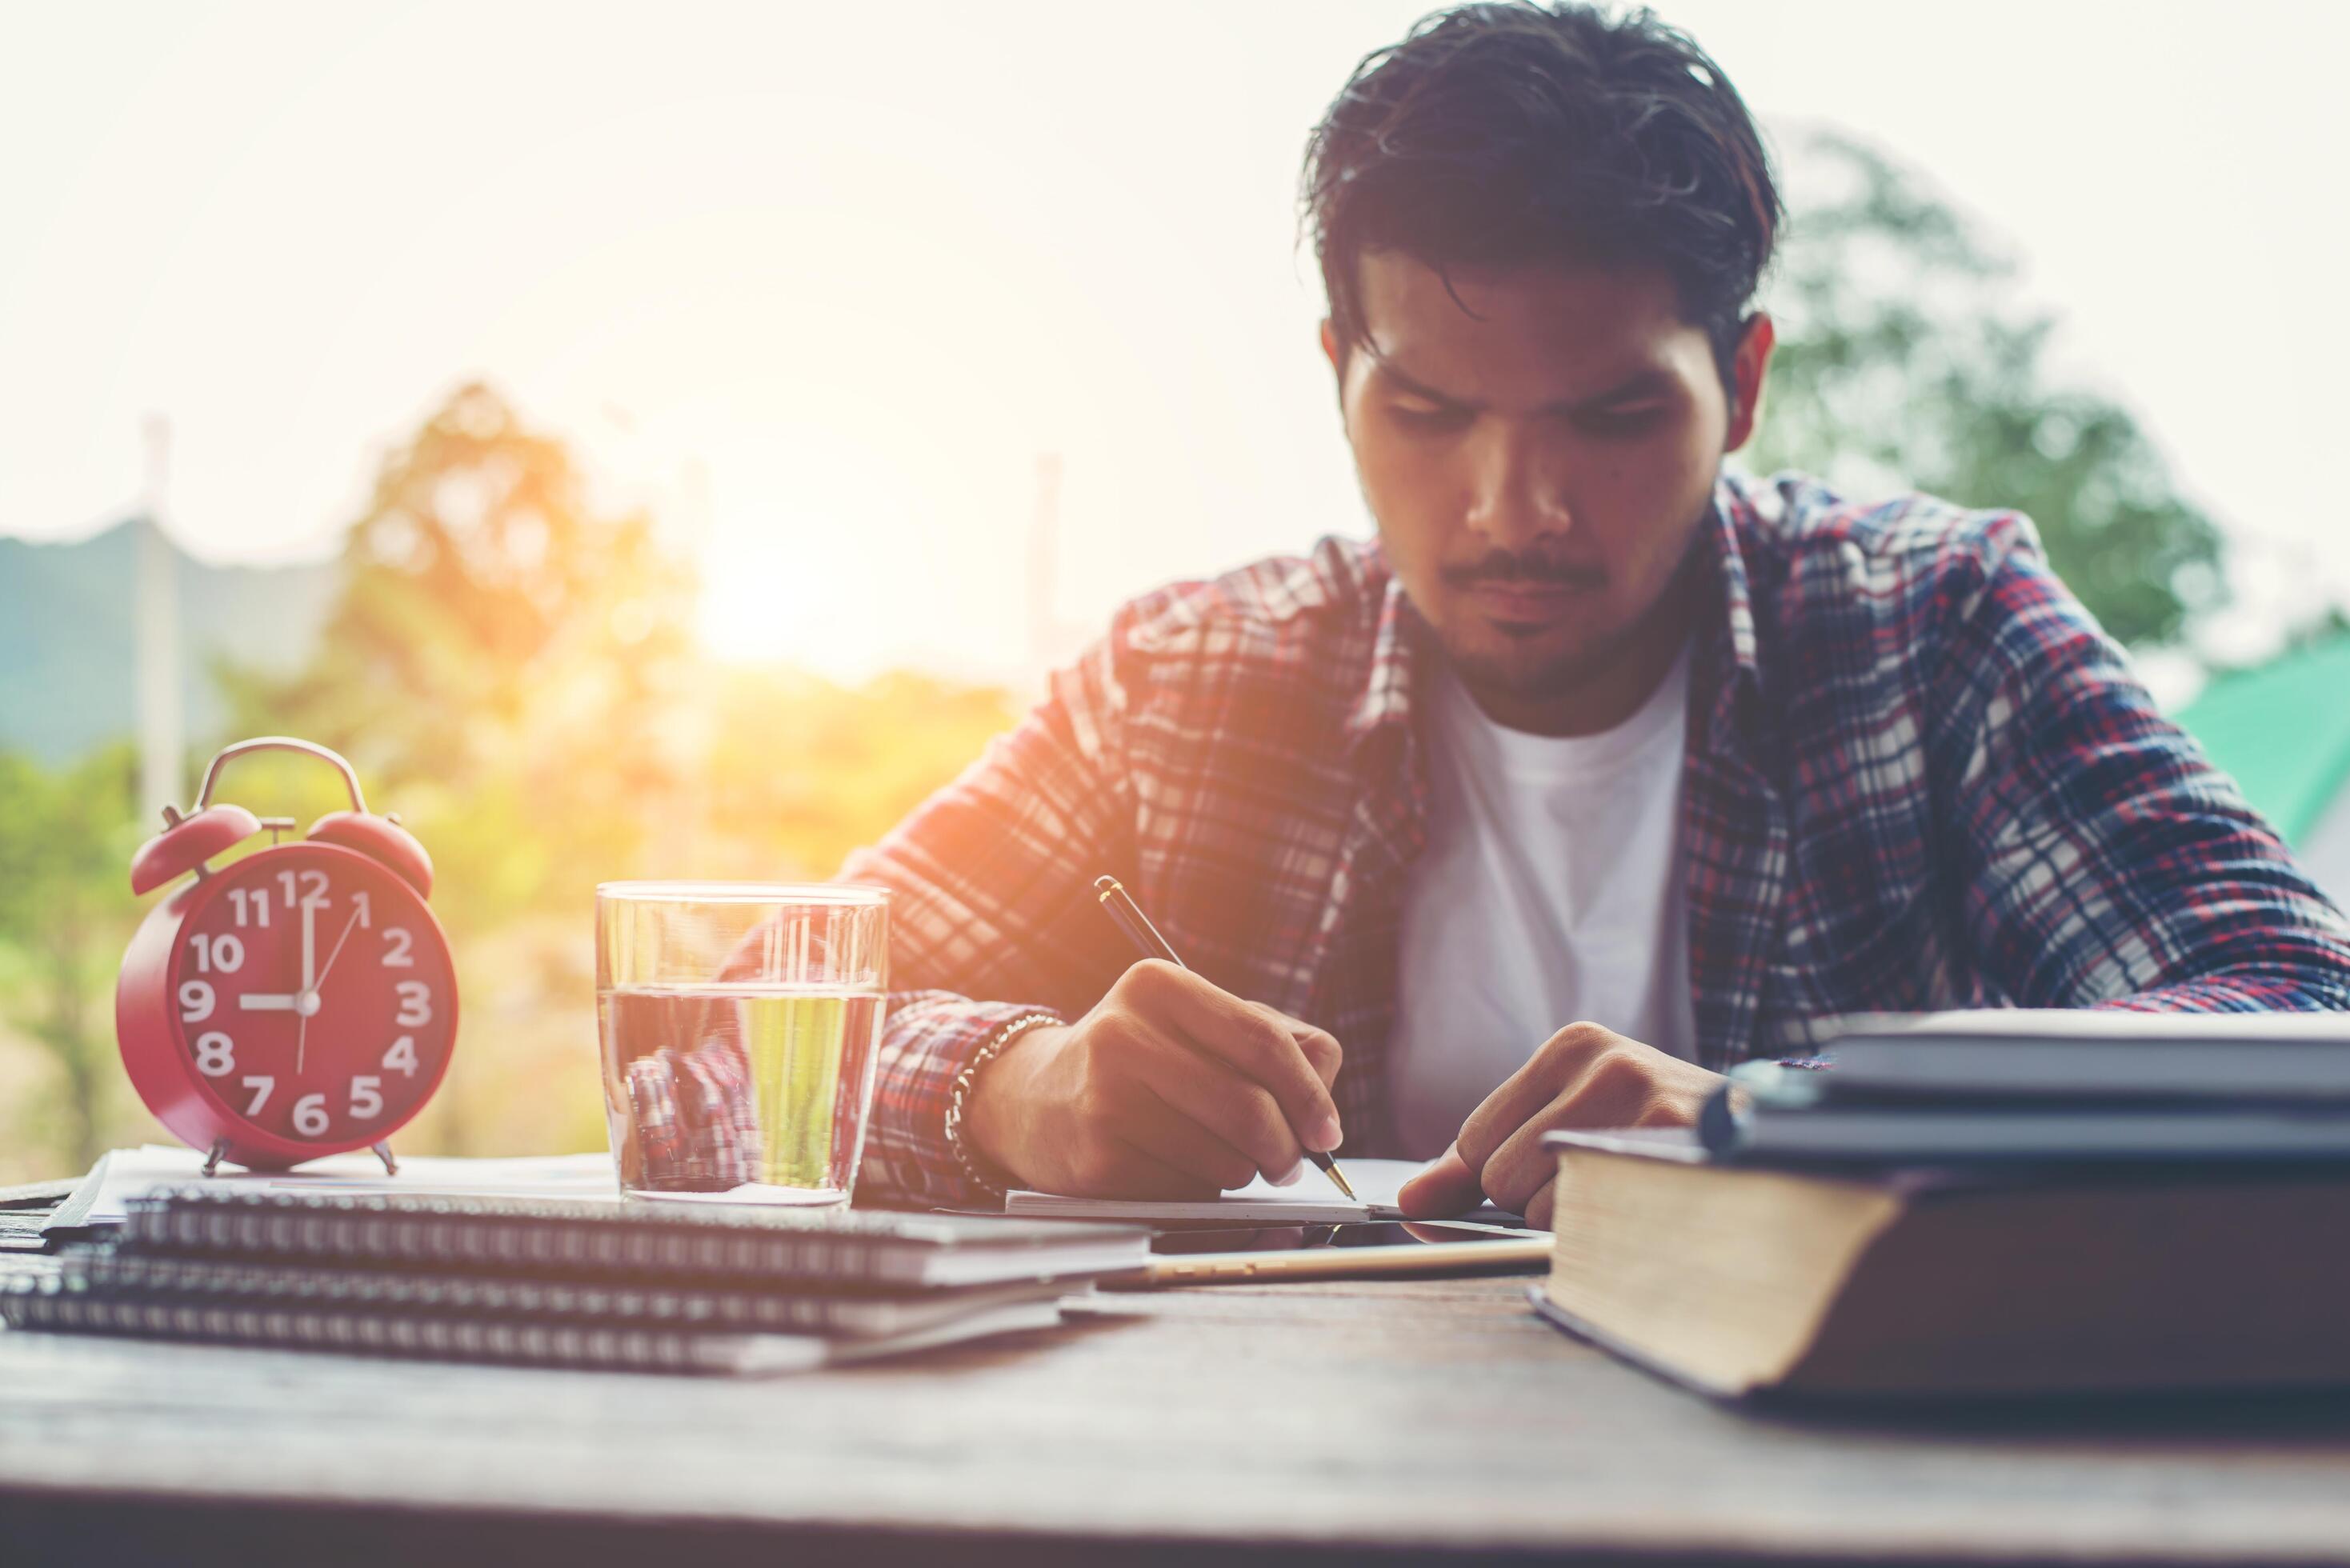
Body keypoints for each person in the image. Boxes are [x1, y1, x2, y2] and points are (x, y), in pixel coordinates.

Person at [839, 2, 2350, 1226]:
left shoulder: (1932, 632)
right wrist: (1014, 1090)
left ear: (1741, 384)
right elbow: (727, 1035)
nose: (1516, 512)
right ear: (1334, 378)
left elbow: (2303, 1017)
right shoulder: (1184, 686)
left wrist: (1778, 1119)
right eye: (1428, 414)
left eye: (1613, 419)